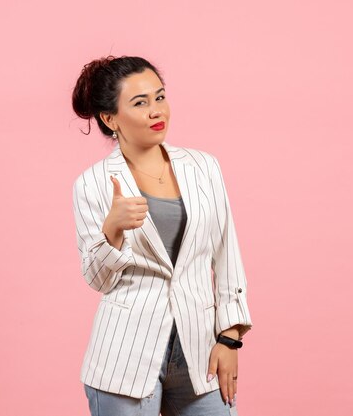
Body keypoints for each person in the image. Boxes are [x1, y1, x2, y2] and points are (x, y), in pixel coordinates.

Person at [71, 55, 253, 416]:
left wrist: (230, 337)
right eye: (140, 103)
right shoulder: (91, 184)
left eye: (160, 97)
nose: (157, 111)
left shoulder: (203, 167)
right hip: (124, 356)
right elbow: (97, 279)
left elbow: (226, 253)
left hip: (200, 352)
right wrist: (112, 230)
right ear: (110, 119)